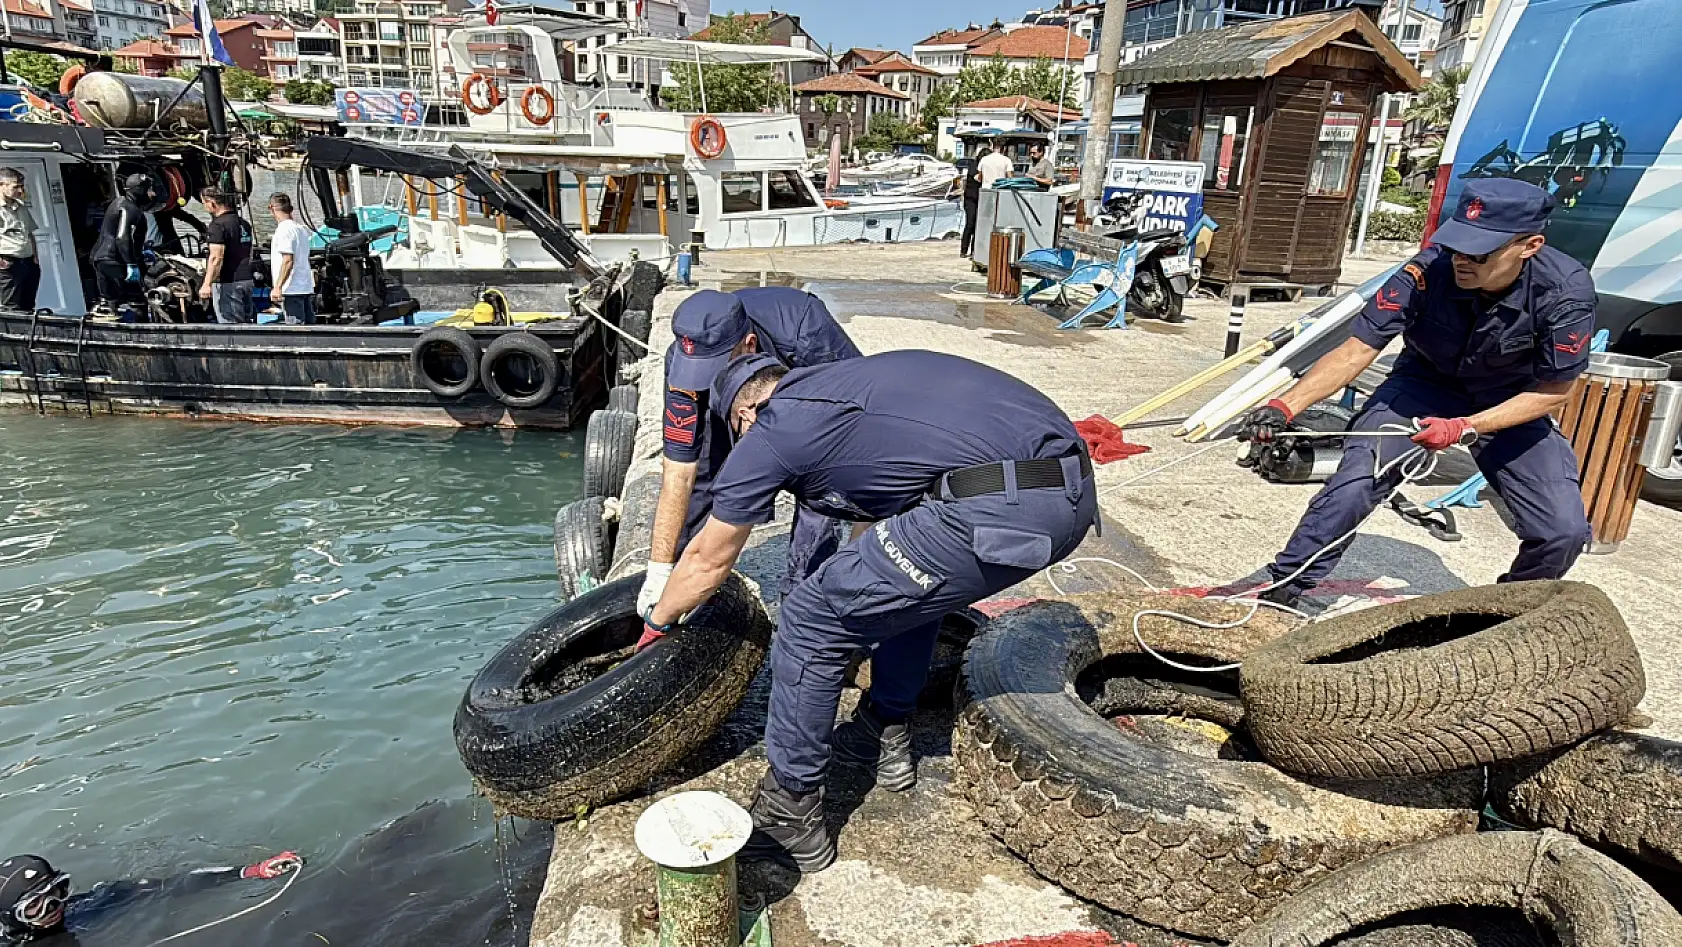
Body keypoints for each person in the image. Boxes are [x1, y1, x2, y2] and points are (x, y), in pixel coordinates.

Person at [643, 350, 1098, 872]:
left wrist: (658, 623)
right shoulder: (846, 384)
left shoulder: (778, 425)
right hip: (1070, 490)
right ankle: (882, 733)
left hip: (1000, 505)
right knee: (905, 591)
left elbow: (706, 559)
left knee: (812, 617)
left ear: (744, 414)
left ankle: (791, 811)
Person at [1239, 178, 1597, 608]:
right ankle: (1286, 587)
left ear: (1530, 245)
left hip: (1510, 402)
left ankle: (1505, 611)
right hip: (1423, 386)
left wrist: (1465, 426)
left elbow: (1555, 392)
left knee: (1563, 531)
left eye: (1479, 253)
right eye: (1457, 246)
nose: (1462, 261)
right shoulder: (1426, 271)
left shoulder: (1565, 294)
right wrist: (1283, 406)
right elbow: (1356, 351)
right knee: (1354, 484)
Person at [637, 288, 863, 621]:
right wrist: (660, 568)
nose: (703, 383)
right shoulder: (683, 361)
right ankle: (690, 583)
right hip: (732, 378)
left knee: (817, 482)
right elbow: (679, 472)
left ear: (750, 345)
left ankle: (803, 601)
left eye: (712, 372)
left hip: (801, 382)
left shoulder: (805, 332)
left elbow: (855, 414)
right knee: (703, 472)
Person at [0, 851, 299, 944]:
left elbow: (171, 886)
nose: (54, 907)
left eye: (57, 892)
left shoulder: (85, 909)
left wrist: (251, 871)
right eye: (35, 906)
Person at [89, 174, 151, 318]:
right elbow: (122, 237)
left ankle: (110, 312)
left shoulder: (117, 202)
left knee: (110, 297)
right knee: (138, 296)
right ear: (139, 190)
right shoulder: (131, 209)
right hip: (115, 260)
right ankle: (143, 328)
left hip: (100, 258)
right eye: (149, 189)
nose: (152, 194)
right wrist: (132, 264)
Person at [199, 188, 255, 324]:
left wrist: (207, 284)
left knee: (231, 326)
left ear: (211, 203)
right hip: (247, 280)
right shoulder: (244, 223)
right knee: (247, 323)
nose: (204, 207)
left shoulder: (217, 226)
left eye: (204, 203)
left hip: (229, 283)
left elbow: (216, 258)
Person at [267, 192, 316, 325]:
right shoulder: (301, 229)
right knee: (309, 325)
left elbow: (288, 260)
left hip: (291, 289)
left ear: (271, 208)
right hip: (305, 286)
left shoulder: (284, 230)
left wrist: (277, 286)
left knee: (296, 326)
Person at [0, 169, 40, 312]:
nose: (20, 190)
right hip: (7, 264)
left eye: (21, 186)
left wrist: (35, 257)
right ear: (2, 185)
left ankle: (28, 334)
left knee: (28, 305)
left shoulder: (20, 207)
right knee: (11, 307)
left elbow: (29, 233)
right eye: (15, 186)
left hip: (27, 262)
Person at [958, 150, 984, 257]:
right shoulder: (974, 166)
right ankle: (964, 250)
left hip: (979, 199)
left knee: (978, 226)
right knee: (970, 224)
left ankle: (974, 250)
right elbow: (977, 178)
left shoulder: (978, 166)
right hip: (971, 199)